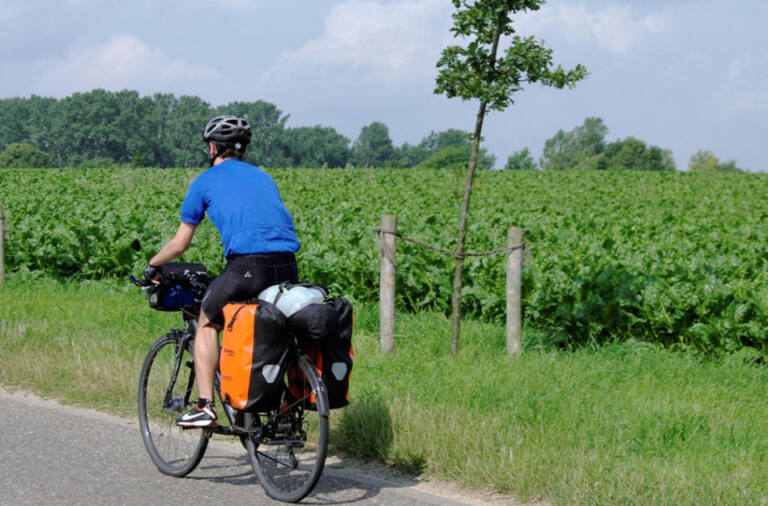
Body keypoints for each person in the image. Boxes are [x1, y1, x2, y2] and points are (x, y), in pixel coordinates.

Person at [144, 115, 300, 427]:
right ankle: (280, 407)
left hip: (247, 267)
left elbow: (179, 244)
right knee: (270, 327)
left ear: (213, 147)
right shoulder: (263, 177)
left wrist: (153, 265)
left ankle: (205, 406)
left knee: (207, 321)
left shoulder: (204, 182)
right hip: (287, 265)